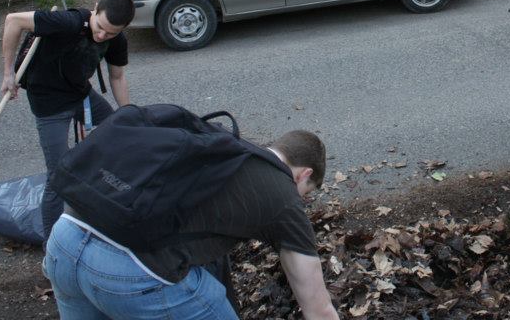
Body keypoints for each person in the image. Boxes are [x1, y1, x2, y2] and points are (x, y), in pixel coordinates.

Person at [43, 130, 339, 320]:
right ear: (303, 174)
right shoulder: (284, 198)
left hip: (64, 242)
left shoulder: (223, 145)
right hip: (129, 274)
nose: (302, 200)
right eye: (307, 192)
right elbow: (318, 309)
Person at [0, 0, 135, 238]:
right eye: (100, 27)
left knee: (122, 136)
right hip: (49, 104)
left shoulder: (117, 39)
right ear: (94, 10)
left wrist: (127, 115)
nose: (103, 36)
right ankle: (52, 249)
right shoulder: (68, 22)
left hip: (80, 93)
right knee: (58, 176)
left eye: (111, 33)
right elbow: (13, 20)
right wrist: (9, 73)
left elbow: (117, 77)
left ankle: (105, 200)